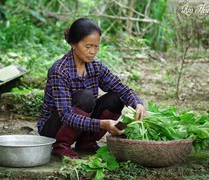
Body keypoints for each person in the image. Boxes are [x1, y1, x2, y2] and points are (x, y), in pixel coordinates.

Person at [37, 17, 147, 159]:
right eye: (88, 47)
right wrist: (103, 124)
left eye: (96, 46)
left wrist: (137, 103)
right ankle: (60, 146)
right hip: (53, 128)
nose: (92, 52)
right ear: (73, 44)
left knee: (116, 98)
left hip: (80, 125)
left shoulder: (96, 67)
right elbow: (66, 115)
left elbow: (120, 88)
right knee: (85, 97)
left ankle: (86, 142)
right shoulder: (60, 71)